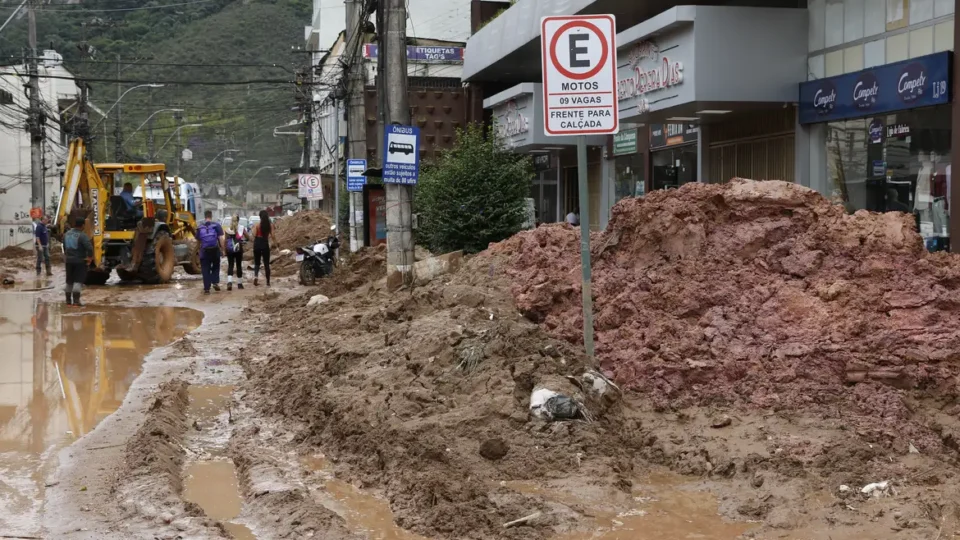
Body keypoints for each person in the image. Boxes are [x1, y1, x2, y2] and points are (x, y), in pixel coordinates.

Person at [64, 216, 93, 306]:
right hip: (79, 261)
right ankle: (76, 302)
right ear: (83, 225)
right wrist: (89, 257)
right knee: (78, 281)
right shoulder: (82, 235)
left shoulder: (67, 234)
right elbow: (89, 248)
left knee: (69, 281)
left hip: (68, 261)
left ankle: (68, 302)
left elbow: (64, 247)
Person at [197, 210, 226, 295]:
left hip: (204, 251)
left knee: (205, 269)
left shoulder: (200, 226)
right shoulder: (216, 225)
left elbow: (198, 240)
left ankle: (206, 289)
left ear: (205, 216)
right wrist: (223, 250)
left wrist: (199, 251)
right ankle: (215, 282)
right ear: (211, 216)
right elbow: (221, 239)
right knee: (216, 265)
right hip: (214, 249)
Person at [251, 210, 278, 287]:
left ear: (260, 217)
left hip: (257, 243)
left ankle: (256, 276)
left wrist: (253, 228)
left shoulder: (257, 225)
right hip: (265, 243)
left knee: (257, 263)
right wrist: (276, 245)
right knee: (266, 263)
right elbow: (273, 236)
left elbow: (254, 234)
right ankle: (268, 282)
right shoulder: (270, 225)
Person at [224, 214, 248, 291]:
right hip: (238, 248)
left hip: (229, 249)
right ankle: (240, 284)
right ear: (238, 220)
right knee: (238, 265)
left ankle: (229, 282)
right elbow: (248, 237)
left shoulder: (227, 229)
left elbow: (225, 240)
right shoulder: (241, 228)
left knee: (230, 265)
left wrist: (225, 250)